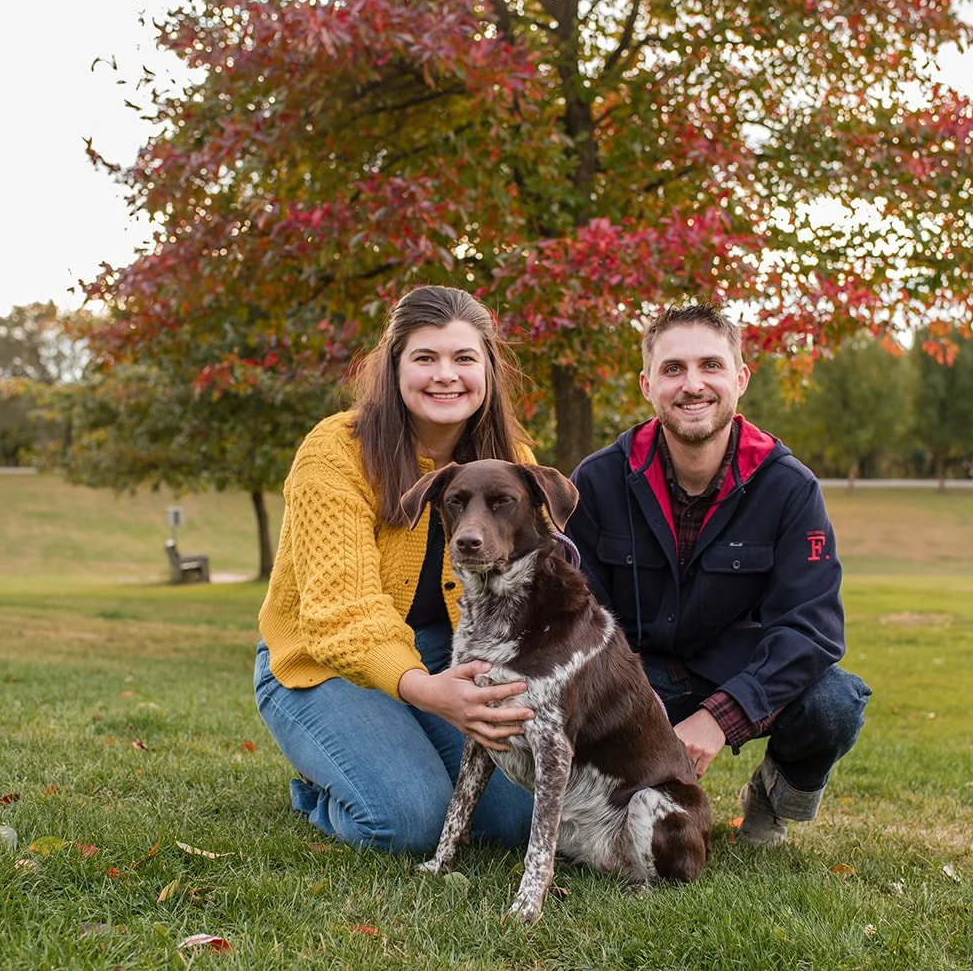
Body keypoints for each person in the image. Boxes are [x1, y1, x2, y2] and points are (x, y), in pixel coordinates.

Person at [566, 304, 871, 847]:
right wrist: (635, 702)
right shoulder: (599, 479)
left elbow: (812, 630)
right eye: (673, 369)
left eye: (711, 365)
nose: (693, 385)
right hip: (632, 677)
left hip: (736, 670)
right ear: (647, 384)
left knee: (834, 703)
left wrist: (719, 718)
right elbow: (579, 615)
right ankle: (607, 807)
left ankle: (771, 801)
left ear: (740, 378)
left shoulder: (788, 487)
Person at [253, 285, 537, 853]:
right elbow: (339, 611)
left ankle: (404, 749)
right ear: (395, 366)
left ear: (488, 369)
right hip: (320, 664)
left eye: (463, 358)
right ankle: (322, 789)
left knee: (518, 819)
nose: (445, 375)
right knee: (408, 822)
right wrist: (426, 693)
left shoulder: (512, 461)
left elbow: (534, 589)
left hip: (448, 660)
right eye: (425, 358)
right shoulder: (336, 450)